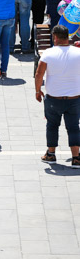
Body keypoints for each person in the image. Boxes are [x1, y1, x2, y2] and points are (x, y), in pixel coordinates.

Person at [34, 25, 80, 168]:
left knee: (52, 125)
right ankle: (76, 158)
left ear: (55, 37)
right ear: (68, 37)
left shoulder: (48, 53)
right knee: (73, 127)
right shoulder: (78, 53)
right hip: (74, 98)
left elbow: (39, 73)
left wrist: (37, 90)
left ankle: (51, 154)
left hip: (54, 98)